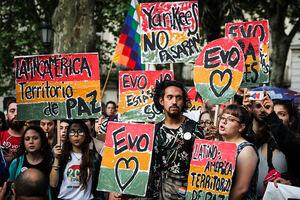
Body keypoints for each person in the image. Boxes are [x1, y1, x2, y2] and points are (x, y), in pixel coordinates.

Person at [149, 80, 205, 200]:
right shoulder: (154, 131)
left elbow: (202, 168)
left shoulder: (195, 129)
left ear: (183, 101)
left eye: (178, 98)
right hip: (156, 194)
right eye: (170, 97)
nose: (174, 102)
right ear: (161, 101)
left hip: (183, 195)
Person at [243, 90, 289, 197]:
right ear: (252, 108)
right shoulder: (252, 134)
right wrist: (246, 113)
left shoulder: (275, 135)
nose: (262, 110)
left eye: (266, 106)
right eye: (258, 106)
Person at [50, 119, 103, 200]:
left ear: (85, 134)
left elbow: (100, 186)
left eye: (80, 131)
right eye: (72, 131)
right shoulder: (62, 156)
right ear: (68, 135)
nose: (76, 135)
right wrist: (56, 159)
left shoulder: (94, 157)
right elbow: (53, 184)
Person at [218, 104, 258, 199]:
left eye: (231, 119)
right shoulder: (220, 145)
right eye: (223, 117)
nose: (224, 121)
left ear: (241, 127)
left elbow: (241, 189)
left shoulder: (246, 150)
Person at [0, 98, 25, 164]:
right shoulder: (0, 136)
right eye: (12, 111)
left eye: (19, 111)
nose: (16, 114)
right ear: (6, 116)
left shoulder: (31, 137)